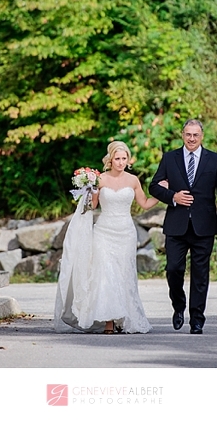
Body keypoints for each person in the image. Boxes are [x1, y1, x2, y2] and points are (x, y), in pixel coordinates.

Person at [54, 140, 163, 334]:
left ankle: (124, 317)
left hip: (126, 232)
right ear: (110, 160)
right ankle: (109, 321)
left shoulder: (133, 180)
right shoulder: (100, 179)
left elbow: (145, 204)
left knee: (123, 274)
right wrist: (89, 190)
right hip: (104, 231)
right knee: (105, 274)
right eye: (117, 158)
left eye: (124, 158)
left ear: (128, 160)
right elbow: (93, 206)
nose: (121, 162)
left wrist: (165, 193)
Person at [149, 119, 217, 334]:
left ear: (202, 136)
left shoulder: (215, 160)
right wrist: (173, 196)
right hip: (176, 225)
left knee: (200, 275)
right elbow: (153, 186)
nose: (192, 138)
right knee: (173, 270)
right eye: (188, 134)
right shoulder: (170, 158)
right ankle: (178, 306)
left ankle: (197, 319)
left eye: (196, 135)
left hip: (204, 227)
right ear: (182, 135)